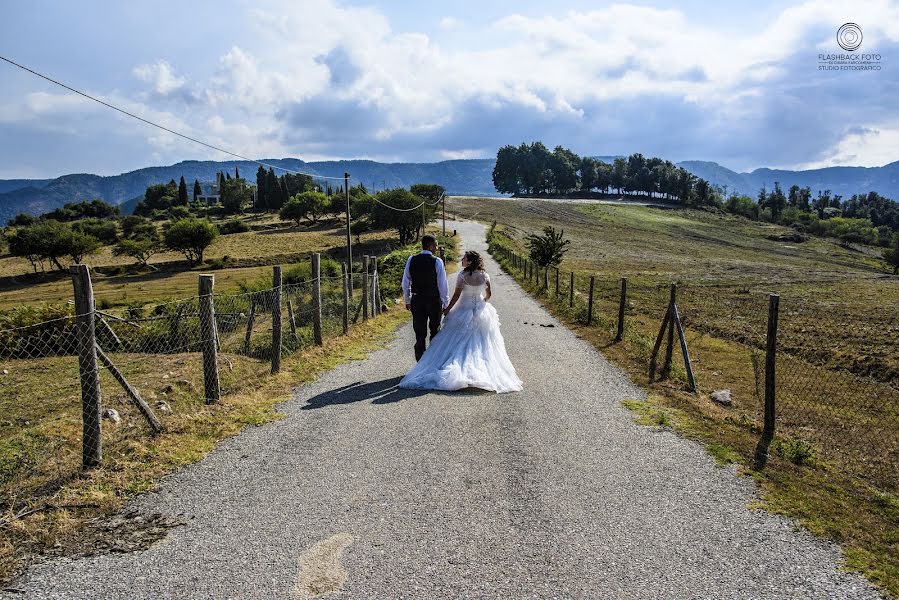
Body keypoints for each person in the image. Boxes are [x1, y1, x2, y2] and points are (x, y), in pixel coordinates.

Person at [399, 250, 522, 393]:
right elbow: (489, 294)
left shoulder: (463, 276)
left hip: (464, 308)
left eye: (464, 259)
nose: (461, 261)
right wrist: (482, 302)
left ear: (469, 261)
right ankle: (481, 368)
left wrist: (447, 309)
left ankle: (446, 364)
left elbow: (456, 295)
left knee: (456, 340)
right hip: (481, 310)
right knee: (480, 342)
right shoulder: (485, 276)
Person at [401, 235, 449, 361]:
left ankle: (420, 362)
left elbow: (405, 282)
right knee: (435, 330)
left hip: (417, 300)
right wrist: (445, 303)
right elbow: (442, 284)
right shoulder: (437, 261)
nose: (437, 248)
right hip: (433, 300)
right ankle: (433, 360)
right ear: (431, 246)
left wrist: (407, 300)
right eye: (436, 245)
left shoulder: (411, 259)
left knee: (419, 332)